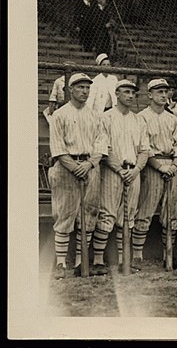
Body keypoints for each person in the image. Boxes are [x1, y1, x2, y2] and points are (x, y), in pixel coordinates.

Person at [48, 73, 108, 279]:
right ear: (70, 89)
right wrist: (75, 167)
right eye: (80, 87)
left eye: (87, 88)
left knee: (89, 214)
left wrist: (90, 163)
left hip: (90, 166)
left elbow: (101, 144)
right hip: (66, 167)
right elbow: (57, 147)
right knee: (65, 214)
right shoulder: (59, 114)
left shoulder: (95, 115)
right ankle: (61, 263)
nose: (84, 91)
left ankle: (82, 262)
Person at [92, 79, 149, 275]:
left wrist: (135, 170)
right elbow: (103, 149)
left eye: (133, 93)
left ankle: (125, 260)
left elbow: (144, 150)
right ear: (116, 94)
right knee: (107, 213)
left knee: (129, 216)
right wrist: (119, 170)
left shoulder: (139, 119)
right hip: (112, 171)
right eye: (126, 92)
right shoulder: (105, 117)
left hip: (133, 172)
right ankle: (99, 260)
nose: (131, 96)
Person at [134, 78, 177, 269]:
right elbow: (144, 147)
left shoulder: (173, 118)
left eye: (166, 92)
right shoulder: (141, 117)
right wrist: (160, 166)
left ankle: (168, 255)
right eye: (159, 92)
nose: (164, 95)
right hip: (151, 165)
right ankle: (137, 255)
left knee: (171, 211)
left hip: (172, 165)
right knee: (145, 209)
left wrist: (174, 166)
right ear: (150, 95)